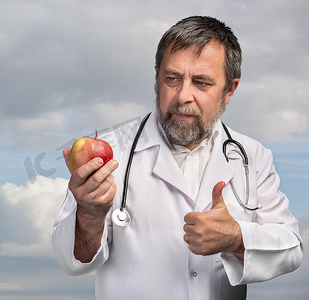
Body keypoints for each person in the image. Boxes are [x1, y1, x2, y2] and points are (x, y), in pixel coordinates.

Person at [50, 16, 303, 299]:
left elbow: (291, 248)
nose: (183, 95)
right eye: (172, 79)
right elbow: (72, 261)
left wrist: (236, 238)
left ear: (229, 90)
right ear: (157, 76)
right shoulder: (110, 152)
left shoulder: (251, 156)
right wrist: (89, 214)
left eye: (201, 83)